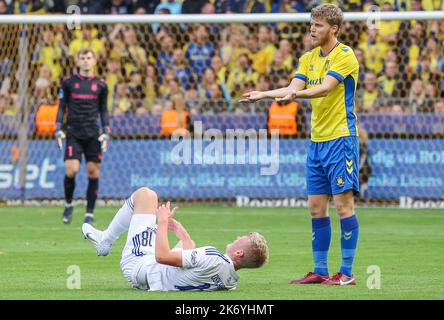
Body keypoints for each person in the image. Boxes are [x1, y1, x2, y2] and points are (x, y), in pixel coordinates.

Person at [240, 4, 360, 285]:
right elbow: (292, 88)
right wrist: (264, 94)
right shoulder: (308, 58)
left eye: (318, 26)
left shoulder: (345, 55)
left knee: (344, 207)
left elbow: (325, 88)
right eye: (311, 24)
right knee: (316, 208)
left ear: (334, 29)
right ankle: (320, 270)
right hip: (317, 142)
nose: (312, 30)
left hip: (341, 139)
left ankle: (346, 273)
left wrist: (296, 96)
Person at [82, 187, 269, 291]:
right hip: (155, 277)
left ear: (239, 252)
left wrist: (162, 222)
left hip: (139, 266)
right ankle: (106, 239)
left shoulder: (213, 255)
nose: (237, 237)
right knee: (190, 245)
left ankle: (105, 240)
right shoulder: (231, 281)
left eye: (241, 238)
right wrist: (182, 234)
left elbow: (162, 257)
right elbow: (190, 264)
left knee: (146, 195)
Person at [55, 48, 110, 226]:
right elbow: (62, 106)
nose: (86, 61)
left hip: (93, 134)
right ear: (77, 61)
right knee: (71, 170)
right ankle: (69, 204)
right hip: (73, 133)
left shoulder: (101, 85)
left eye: (89, 57)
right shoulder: (68, 83)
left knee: (93, 172)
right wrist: (58, 128)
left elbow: (103, 109)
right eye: (83, 58)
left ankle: (89, 213)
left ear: (94, 61)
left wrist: (106, 131)